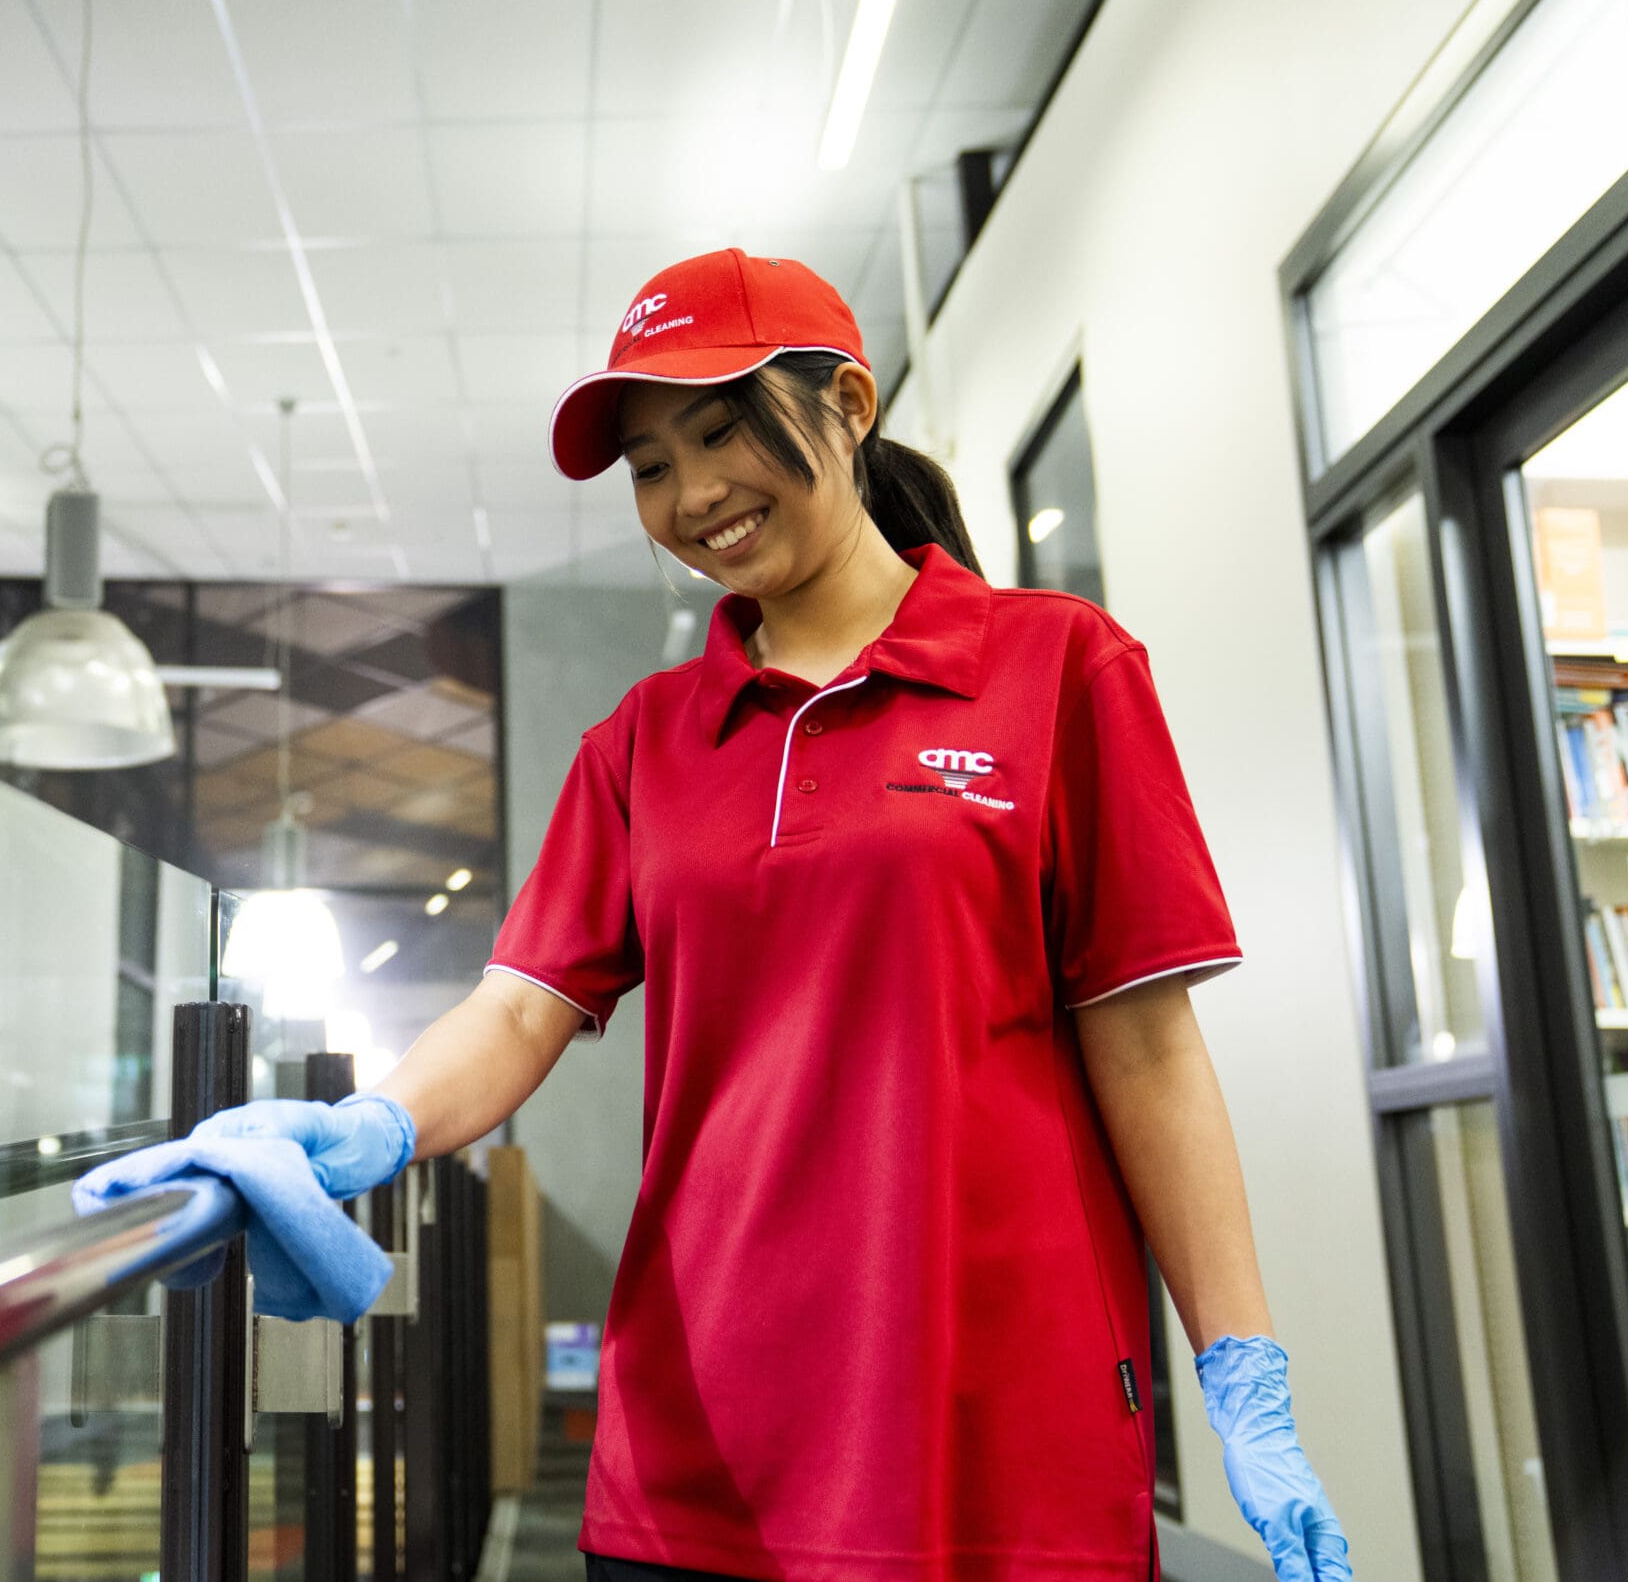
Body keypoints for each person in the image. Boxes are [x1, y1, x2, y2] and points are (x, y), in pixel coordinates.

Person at [87, 250, 1350, 1582]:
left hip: (997, 1438)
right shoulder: (645, 742)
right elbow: (522, 1004)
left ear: (849, 405)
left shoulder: (1060, 667)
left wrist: (1243, 1373)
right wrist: (369, 1128)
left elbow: (1146, 1047)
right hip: (704, 1454)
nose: (692, 497)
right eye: (648, 465)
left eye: (721, 429)